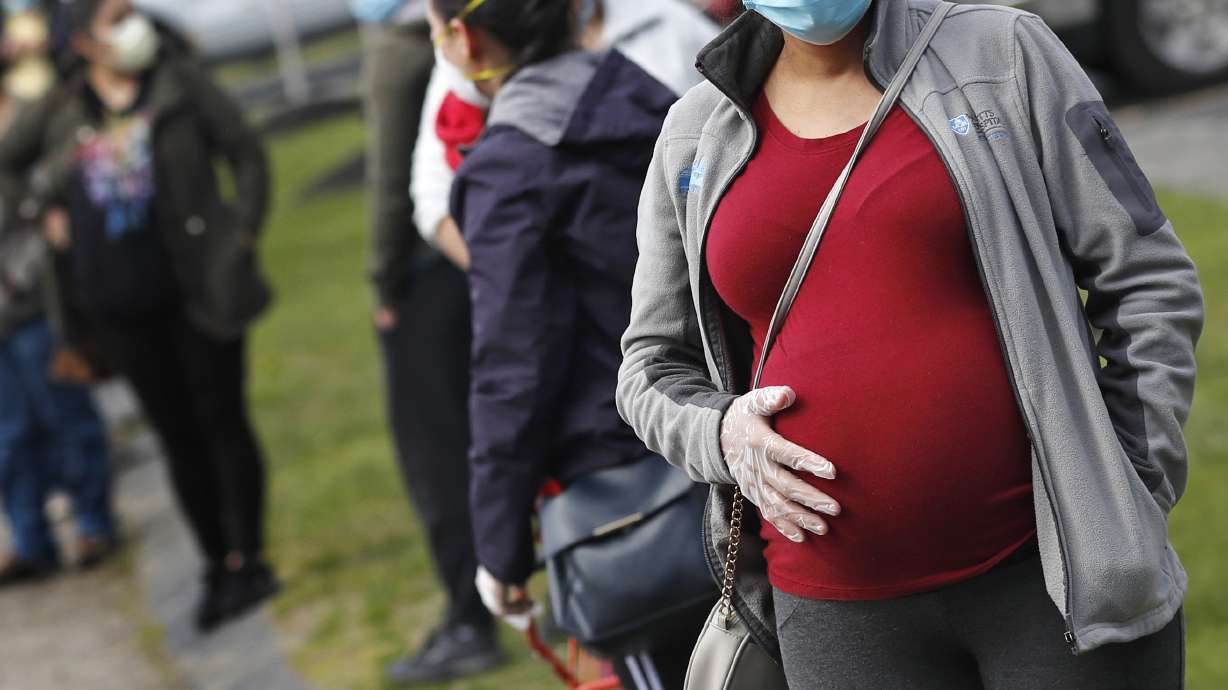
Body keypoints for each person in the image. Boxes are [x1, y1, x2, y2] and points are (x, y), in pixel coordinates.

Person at [617, 1, 1202, 688]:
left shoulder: (1001, 53)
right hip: (837, 616)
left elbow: (1146, 276)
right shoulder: (695, 134)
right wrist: (722, 435)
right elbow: (651, 364)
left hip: (1055, 583)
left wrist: (1131, 481)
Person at [426, 1, 706, 688]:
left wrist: (499, 552)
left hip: (632, 498)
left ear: (462, 37)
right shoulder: (663, 103)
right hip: (742, 440)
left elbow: (512, 373)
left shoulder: (508, 170)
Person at [0, 0, 276, 632]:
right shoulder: (66, 108)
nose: (133, 27)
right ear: (86, 39)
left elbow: (246, 151)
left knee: (222, 423)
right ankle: (215, 561)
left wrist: (242, 237)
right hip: (121, 305)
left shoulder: (179, 83)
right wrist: (44, 211)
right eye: (115, 17)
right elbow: (9, 164)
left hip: (199, 288)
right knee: (177, 434)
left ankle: (248, 557)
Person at [351, 0, 503, 685]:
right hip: (493, 250)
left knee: (436, 452)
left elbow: (390, 178)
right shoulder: (489, 23)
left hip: (430, 265)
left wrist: (383, 283)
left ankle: (469, 619)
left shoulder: (401, 49)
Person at [411, 0, 720, 267]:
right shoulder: (474, 49)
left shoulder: (670, 27)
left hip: (689, 273)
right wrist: (504, 265)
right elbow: (433, 194)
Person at [0, 191, 117, 585]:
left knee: (66, 416)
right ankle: (30, 542)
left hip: (32, 310)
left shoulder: (12, 155)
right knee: (9, 437)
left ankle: (94, 524)